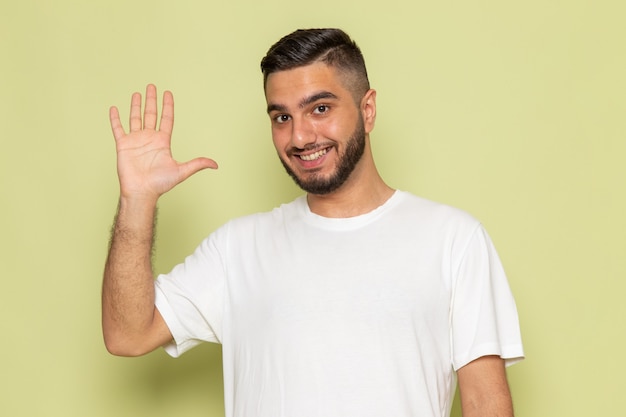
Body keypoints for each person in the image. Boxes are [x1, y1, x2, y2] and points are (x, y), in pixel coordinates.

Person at [102, 28, 524, 417]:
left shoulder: (452, 239)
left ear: (368, 109)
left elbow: (485, 400)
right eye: (281, 117)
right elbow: (128, 335)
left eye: (319, 108)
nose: (300, 137)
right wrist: (137, 201)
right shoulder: (237, 248)